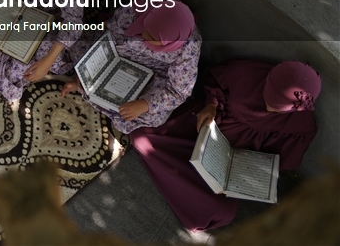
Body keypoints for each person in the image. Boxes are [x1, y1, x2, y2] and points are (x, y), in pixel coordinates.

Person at [131, 59, 320, 231]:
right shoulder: (247, 72)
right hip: (203, 126)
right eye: (268, 99)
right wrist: (211, 105)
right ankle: (189, 176)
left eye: (278, 110)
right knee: (141, 137)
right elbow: (216, 82)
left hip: (234, 158)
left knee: (221, 213)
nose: (269, 109)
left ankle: (191, 178)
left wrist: (254, 169)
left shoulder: (301, 125)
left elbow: (283, 160)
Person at [62, 0, 202, 133]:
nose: (145, 36)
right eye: (146, 28)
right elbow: (109, 35)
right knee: (78, 47)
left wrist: (144, 104)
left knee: (154, 115)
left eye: (154, 38)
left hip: (154, 73)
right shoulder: (136, 11)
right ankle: (82, 84)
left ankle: (92, 94)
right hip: (115, 55)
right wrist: (87, 73)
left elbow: (179, 91)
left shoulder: (188, 48)